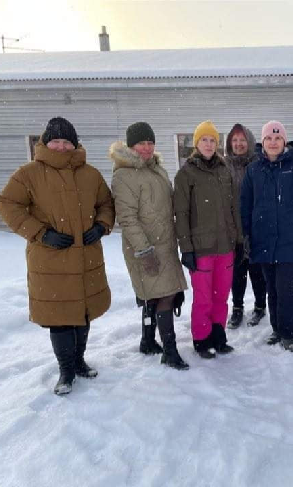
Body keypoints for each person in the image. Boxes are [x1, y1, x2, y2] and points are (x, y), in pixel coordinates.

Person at [0, 117, 115, 394]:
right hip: (51, 260)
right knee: (60, 316)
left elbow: (106, 204)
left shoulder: (90, 174)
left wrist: (101, 226)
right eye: (56, 141)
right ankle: (66, 371)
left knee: (83, 312)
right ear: (46, 143)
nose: (61, 147)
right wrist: (40, 233)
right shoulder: (29, 173)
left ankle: (79, 361)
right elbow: (7, 204)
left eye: (66, 142)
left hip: (86, 258)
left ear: (75, 144)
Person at [109, 122, 189, 370]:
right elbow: (127, 218)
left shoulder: (157, 170)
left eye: (150, 143)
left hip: (165, 243)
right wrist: (144, 250)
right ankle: (170, 351)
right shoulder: (124, 175)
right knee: (164, 295)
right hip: (145, 247)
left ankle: (147, 340)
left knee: (153, 295)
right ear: (130, 146)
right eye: (141, 143)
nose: (146, 148)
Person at [241, 121, 293, 352]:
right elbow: (245, 205)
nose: (273, 143)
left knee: (285, 287)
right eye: (269, 139)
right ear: (262, 142)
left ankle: (288, 333)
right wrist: (246, 234)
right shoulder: (253, 170)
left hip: (288, 240)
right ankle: (276, 328)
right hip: (262, 239)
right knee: (271, 287)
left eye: (278, 138)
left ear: (284, 141)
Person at [174, 121, 241, 359]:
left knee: (221, 295)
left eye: (213, 140)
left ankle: (218, 336)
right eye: (204, 140)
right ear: (196, 143)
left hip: (225, 246)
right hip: (201, 248)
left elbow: (234, 208)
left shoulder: (225, 170)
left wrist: (239, 240)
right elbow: (181, 214)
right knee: (203, 298)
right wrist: (186, 248)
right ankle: (201, 339)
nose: (209, 144)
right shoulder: (186, 173)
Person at [224, 124, 267, 329]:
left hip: (256, 228)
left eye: (242, 140)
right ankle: (237, 308)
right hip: (233, 228)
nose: (238, 144)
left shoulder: (259, 164)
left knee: (257, 271)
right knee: (237, 273)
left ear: (249, 142)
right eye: (234, 140)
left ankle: (260, 306)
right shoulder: (224, 165)